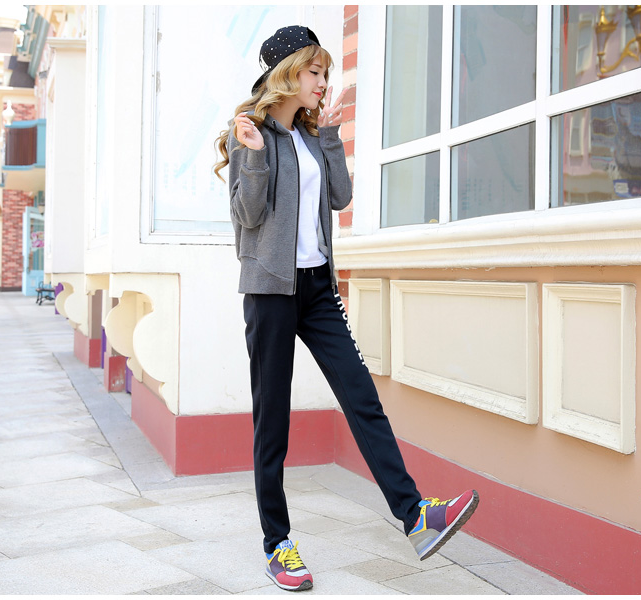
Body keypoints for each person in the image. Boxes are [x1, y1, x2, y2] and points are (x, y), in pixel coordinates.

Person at [214, 25, 479, 592]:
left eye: (325, 73)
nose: (322, 82)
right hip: (270, 293)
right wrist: (254, 156)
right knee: (272, 423)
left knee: (362, 398)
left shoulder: (312, 136)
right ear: (287, 73)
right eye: (314, 72)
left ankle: (416, 516)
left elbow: (340, 197)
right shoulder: (249, 133)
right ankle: (277, 543)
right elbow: (248, 217)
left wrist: (331, 136)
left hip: (317, 290)